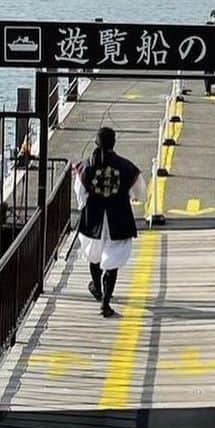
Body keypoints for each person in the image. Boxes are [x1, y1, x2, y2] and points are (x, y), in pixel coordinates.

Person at [72, 127, 146, 317]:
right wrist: (136, 197)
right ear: (114, 143)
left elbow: (80, 194)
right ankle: (105, 303)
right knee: (112, 260)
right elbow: (141, 191)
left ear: (96, 143)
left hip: (93, 218)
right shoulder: (125, 166)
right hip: (118, 217)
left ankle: (97, 287)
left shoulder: (86, 166)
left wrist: (84, 205)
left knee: (93, 255)